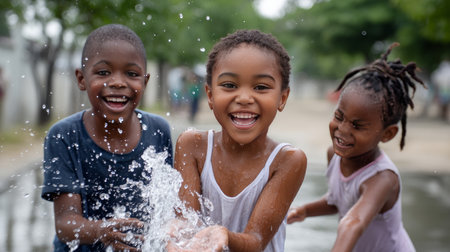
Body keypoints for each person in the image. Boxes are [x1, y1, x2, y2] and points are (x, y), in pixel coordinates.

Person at [170, 29, 307, 252]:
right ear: (210, 95)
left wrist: (223, 235)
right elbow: (186, 227)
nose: (244, 98)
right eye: (230, 85)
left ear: (282, 98)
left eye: (261, 87)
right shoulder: (191, 145)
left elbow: (255, 241)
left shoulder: (287, 160)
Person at [41, 24, 173, 252]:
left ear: (145, 81)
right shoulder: (65, 135)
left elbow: (168, 209)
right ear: (81, 79)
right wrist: (102, 231)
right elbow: (65, 224)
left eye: (132, 74)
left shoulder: (158, 130)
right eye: (103, 72)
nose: (118, 83)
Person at [287, 43, 425, 252]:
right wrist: (305, 210)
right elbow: (339, 201)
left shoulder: (382, 179)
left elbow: (353, 222)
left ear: (387, 134)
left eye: (357, 125)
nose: (342, 130)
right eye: (339, 117)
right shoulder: (334, 155)